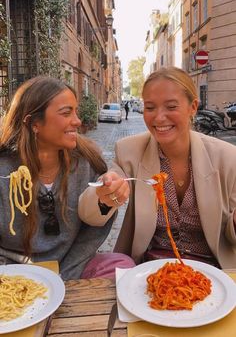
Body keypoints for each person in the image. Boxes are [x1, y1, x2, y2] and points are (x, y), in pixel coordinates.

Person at [82, 66, 236, 269]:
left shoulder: (227, 157)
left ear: (193, 107)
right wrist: (104, 194)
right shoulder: (129, 150)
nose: (159, 117)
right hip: (151, 267)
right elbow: (88, 213)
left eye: (171, 107)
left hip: (212, 269)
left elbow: (230, 239)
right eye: (150, 107)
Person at [0, 76, 134, 280]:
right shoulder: (4, 171)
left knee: (122, 267)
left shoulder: (86, 162)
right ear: (34, 123)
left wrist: (65, 275)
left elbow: (92, 230)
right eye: (66, 113)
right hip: (11, 271)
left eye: (76, 111)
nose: (78, 121)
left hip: (71, 265)